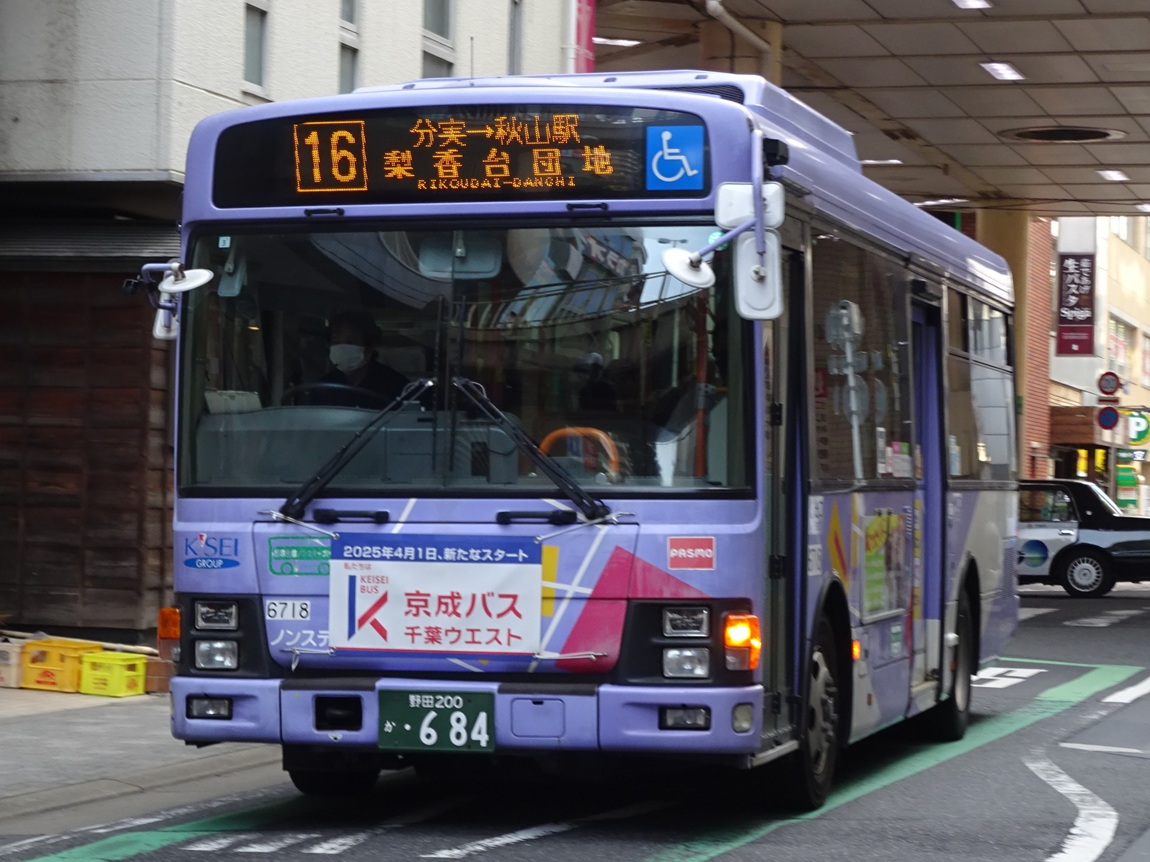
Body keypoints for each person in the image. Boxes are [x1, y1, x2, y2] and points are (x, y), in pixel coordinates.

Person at [316, 310, 410, 407]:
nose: (342, 348)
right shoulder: (322, 387)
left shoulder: (396, 386)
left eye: (350, 342)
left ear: (370, 347)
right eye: (336, 342)